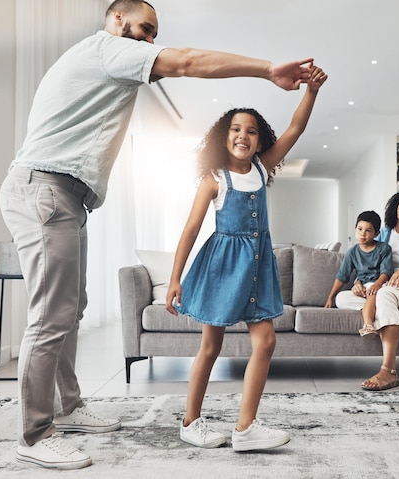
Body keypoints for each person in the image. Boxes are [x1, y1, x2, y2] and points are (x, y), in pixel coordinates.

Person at [0, 0, 315, 470]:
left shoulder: (109, 63)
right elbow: (186, 61)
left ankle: (66, 407)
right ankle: (33, 432)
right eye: (145, 30)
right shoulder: (108, 48)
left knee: (70, 309)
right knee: (50, 316)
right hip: (45, 188)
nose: (150, 41)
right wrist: (268, 70)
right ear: (116, 19)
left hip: (66, 196)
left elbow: (288, 133)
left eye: (154, 34)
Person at [165, 65, 327, 452]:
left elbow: (295, 129)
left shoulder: (261, 166)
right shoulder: (214, 179)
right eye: (236, 129)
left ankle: (245, 427)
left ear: (259, 141)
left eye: (252, 131)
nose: (243, 135)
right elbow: (190, 230)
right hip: (222, 267)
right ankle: (191, 421)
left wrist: (312, 92)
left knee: (266, 341)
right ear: (225, 137)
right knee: (210, 347)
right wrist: (175, 278)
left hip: (257, 266)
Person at [335, 188, 399, 391]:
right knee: (343, 298)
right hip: (384, 287)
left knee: (383, 294)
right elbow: (368, 265)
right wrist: (358, 282)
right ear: (396, 204)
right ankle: (388, 308)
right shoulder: (382, 233)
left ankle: (388, 371)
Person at [324, 211, 393, 337]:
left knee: (373, 292)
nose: (363, 234)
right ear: (355, 229)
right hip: (364, 290)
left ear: (376, 233)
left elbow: (386, 272)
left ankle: (368, 325)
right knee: (341, 299)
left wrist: (376, 285)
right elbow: (342, 276)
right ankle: (376, 308)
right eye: (360, 229)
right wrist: (330, 298)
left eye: (368, 230)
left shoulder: (384, 248)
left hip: (381, 286)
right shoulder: (352, 252)